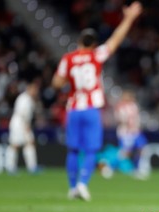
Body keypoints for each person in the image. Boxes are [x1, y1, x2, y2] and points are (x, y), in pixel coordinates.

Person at [51, 2, 143, 201]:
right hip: (92, 109)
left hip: (74, 109)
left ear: (79, 42)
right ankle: (83, 184)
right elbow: (116, 39)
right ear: (93, 44)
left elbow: (56, 83)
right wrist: (128, 18)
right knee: (92, 149)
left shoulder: (68, 59)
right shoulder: (96, 55)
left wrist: (69, 82)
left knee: (73, 149)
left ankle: (71, 187)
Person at [5, 78, 41, 174]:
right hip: (19, 124)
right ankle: (10, 167)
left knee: (29, 143)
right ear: (30, 89)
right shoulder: (23, 98)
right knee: (15, 145)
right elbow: (22, 113)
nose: (35, 92)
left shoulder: (29, 99)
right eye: (34, 90)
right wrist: (26, 126)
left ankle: (32, 167)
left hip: (24, 123)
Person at [113, 89, 149, 179]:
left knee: (141, 149)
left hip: (136, 131)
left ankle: (136, 169)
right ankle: (110, 167)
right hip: (126, 132)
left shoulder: (134, 106)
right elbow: (120, 119)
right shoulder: (120, 106)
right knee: (125, 152)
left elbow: (137, 118)